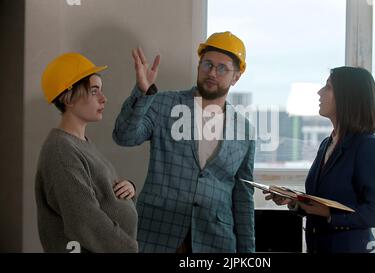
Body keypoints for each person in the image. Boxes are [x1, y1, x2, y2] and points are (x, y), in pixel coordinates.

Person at [113, 31, 255, 253]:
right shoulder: (163, 104)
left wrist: (248, 254)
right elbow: (124, 136)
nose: (212, 73)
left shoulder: (245, 130)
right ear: (199, 65)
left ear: (236, 77)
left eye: (222, 68)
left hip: (215, 241)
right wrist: (142, 92)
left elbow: (243, 197)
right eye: (207, 64)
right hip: (158, 233)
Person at [266, 66, 375, 253]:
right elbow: (324, 200)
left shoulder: (369, 147)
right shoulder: (327, 143)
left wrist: (330, 214)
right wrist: (294, 201)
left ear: (347, 97)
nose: (319, 92)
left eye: (328, 87)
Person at [35, 52, 138, 252]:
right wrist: (130, 248)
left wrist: (128, 190)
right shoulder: (61, 150)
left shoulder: (80, 144)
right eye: (94, 91)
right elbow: (84, 220)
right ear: (69, 98)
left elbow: (101, 194)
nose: (104, 98)